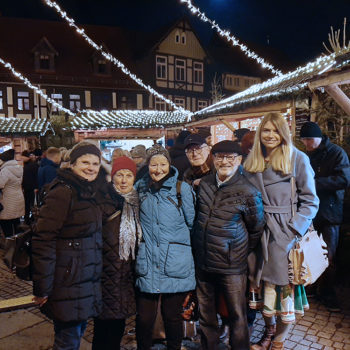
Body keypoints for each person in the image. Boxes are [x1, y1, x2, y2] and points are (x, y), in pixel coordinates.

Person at [244, 113, 319, 350]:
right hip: (257, 234)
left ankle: (279, 339)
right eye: (266, 130)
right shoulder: (251, 161)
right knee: (261, 286)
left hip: (284, 233)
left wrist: (293, 229)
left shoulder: (297, 158)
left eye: (276, 131)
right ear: (259, 133)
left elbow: (310, 200)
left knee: (283, 289)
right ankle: (268, 332)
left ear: (284, 133)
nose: (270, 135)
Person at [192, 140, 265, 350]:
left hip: (231, 265)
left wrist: (237, 250)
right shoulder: (205, 183)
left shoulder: (248, 191)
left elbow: (256, 228)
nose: (224, 161)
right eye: (219, 157)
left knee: (236, 314)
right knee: (206, 315)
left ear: (239, 160)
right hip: (204, 261)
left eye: (229, 157)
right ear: (213, 159)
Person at [32, 142, 103, 350]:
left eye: (95, 163)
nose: (91, 167)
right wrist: (43, 288)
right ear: (72, 164)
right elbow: (43, 240)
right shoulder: (63, 192)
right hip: (67, 281)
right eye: (85, 162)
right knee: (67, 341)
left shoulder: (89, 190)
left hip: (82, 279)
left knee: (74, 335)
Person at [134, 144, 196, 350]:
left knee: (172, 317)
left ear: (169, 164)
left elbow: (192, 224)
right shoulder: (140, 189)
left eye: (162, 164)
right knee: (144, 318)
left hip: (175, 262)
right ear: (147, 165)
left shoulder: (182, 189)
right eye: (153, 164)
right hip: (148, 260)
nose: (158, 169)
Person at [300, 121, 350, 311]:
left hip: (330, 213)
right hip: (311, 213)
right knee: (310, 252)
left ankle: (328, 294)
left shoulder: (337, 153)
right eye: (304, 140)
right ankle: (313, 288)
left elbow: (344, 179)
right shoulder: (307, 154)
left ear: (319, 137)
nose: (307, 144)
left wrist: (313, 184)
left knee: (328, 255)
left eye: (309, 140)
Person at [93, 156, 141, 350]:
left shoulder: (136, 202)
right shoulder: (102, 201)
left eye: (128, 175)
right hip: (105, 275)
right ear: (112, 177)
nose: (123, 180)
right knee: (103, 329)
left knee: (117, 326)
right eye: (119, 175)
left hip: (125, 277)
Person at [0, 149, 25, 236]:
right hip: (18, 198)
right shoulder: (19, 168)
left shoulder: (5, 170)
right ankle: (19, 244)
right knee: (16, 223)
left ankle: (10, 245)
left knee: (6, 224)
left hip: (8, 201)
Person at [21, 150, 39, 224]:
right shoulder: (28, 164)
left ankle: (31, 218)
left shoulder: (31, 165)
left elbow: (35, 176)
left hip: (30, 187)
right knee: (28, 204)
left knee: (30, 204)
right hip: (28, 187)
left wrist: (36, 187)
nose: (21, 158)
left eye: (23, 156)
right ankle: (28, 218)